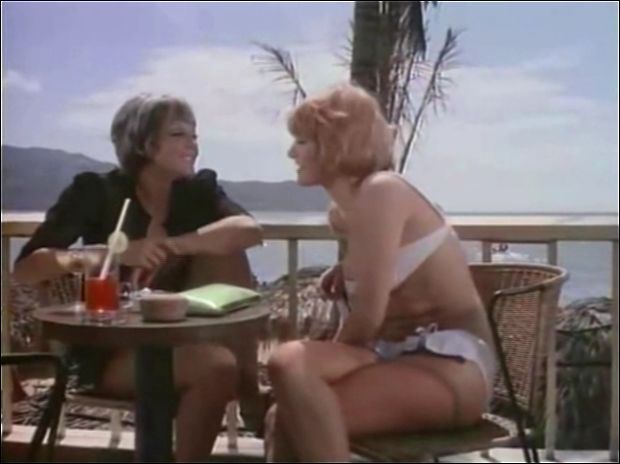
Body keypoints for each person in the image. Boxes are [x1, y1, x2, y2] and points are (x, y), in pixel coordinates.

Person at [13, 93, 263, 461]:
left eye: (194, 135)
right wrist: (102, 254)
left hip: (178, 335)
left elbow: (249, 231)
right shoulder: (95, 191)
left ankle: (248, 388)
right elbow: (25, 268)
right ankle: (247, 392)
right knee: (217, 367)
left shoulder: (197, 191)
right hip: (110, 351)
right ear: (143, 143)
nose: (193, 144)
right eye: (179, 134)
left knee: (227, 252)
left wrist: (176, 245)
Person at [264, 83, 497, 462]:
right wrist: (345, 271)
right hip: (395, 360)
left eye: (302, 141)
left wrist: (331, 359)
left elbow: (368, 317)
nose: (292, 152)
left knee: (291, 375)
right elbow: (396, 270)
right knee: (285, 414)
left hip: (451, 367)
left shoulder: (384, 191)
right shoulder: (345, 214)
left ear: (336, 143)